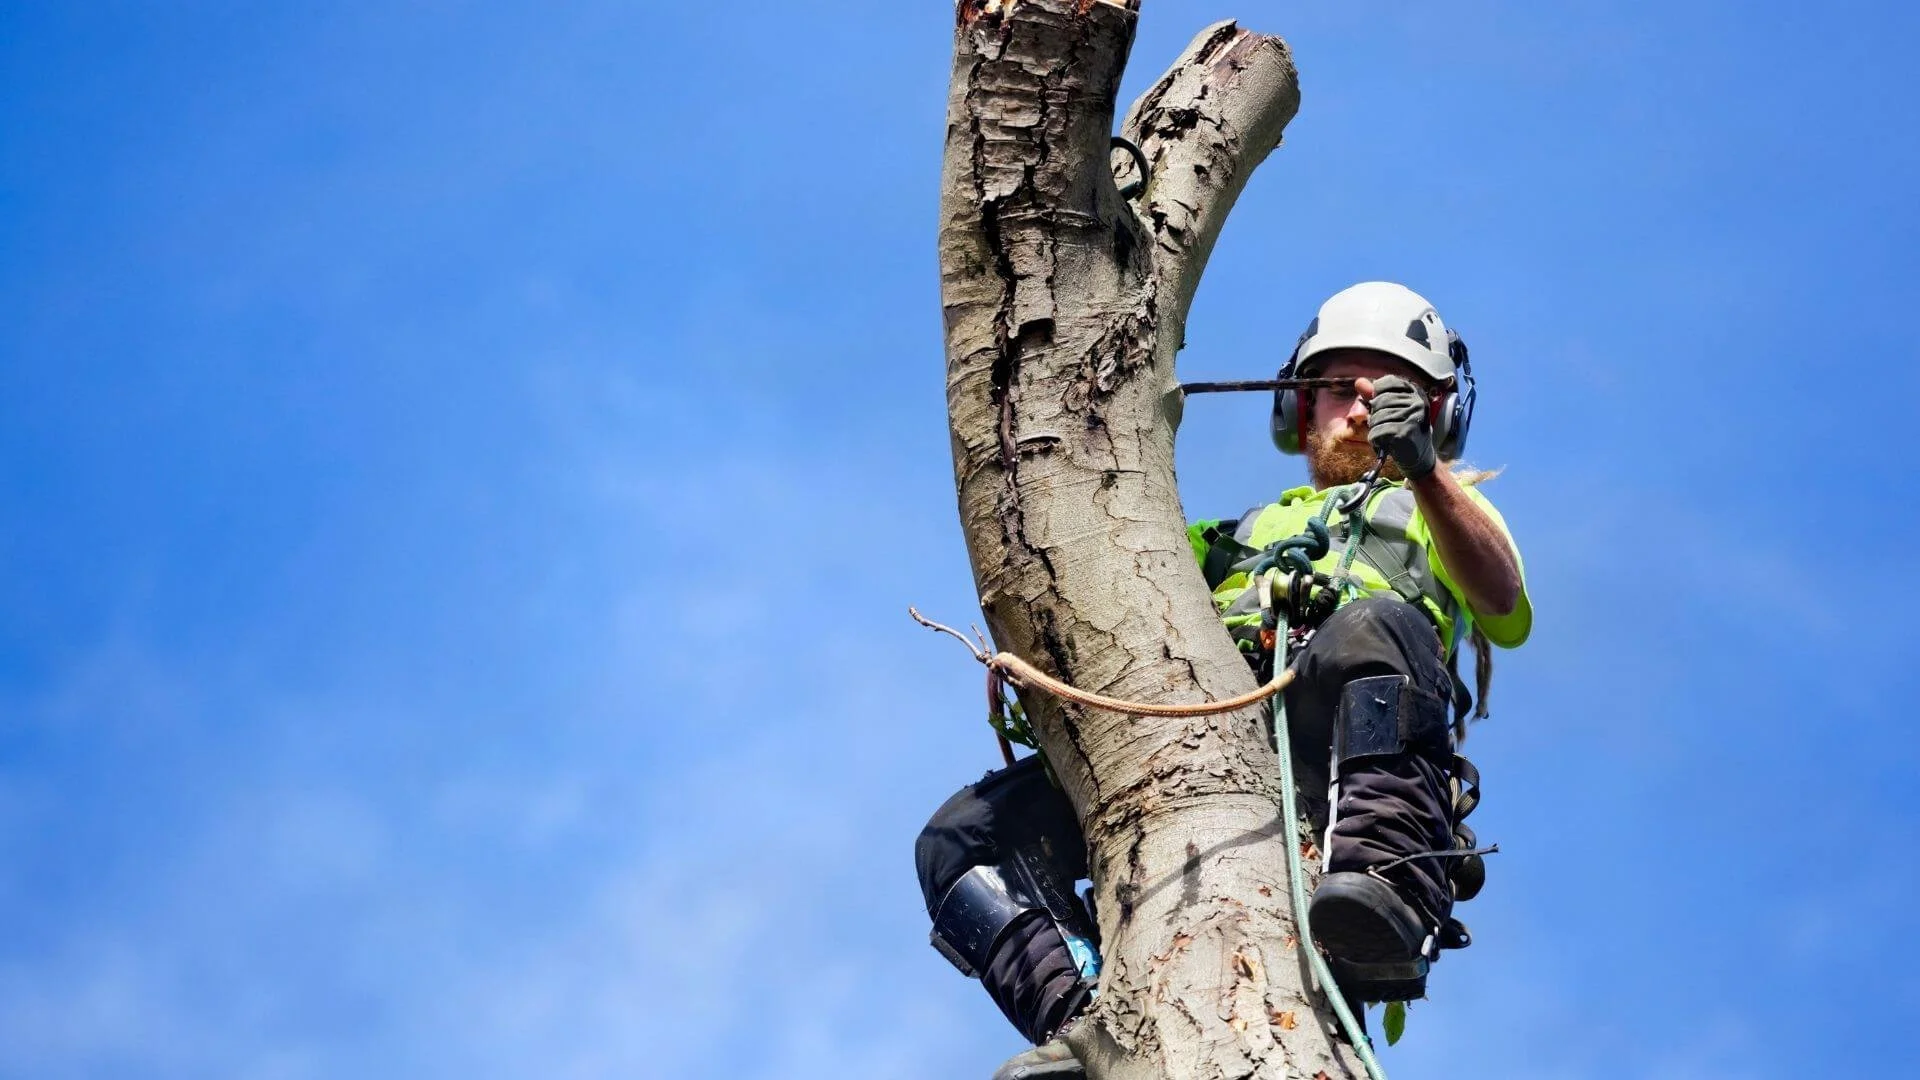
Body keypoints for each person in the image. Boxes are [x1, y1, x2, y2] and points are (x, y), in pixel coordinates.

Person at [914, 282, 1532, 1077]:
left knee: (1374, 623)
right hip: (1203, 729)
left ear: (1440, 414)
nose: (1363, 407)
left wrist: (1424, 473)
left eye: (1395, 395)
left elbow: (1503, 601)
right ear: (1299, 407)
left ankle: (1382, 887)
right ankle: (1090, 1027)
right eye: (1341, 388)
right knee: (960, 842)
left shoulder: (1441, 508)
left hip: (1350, 736)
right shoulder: (1230, 537)